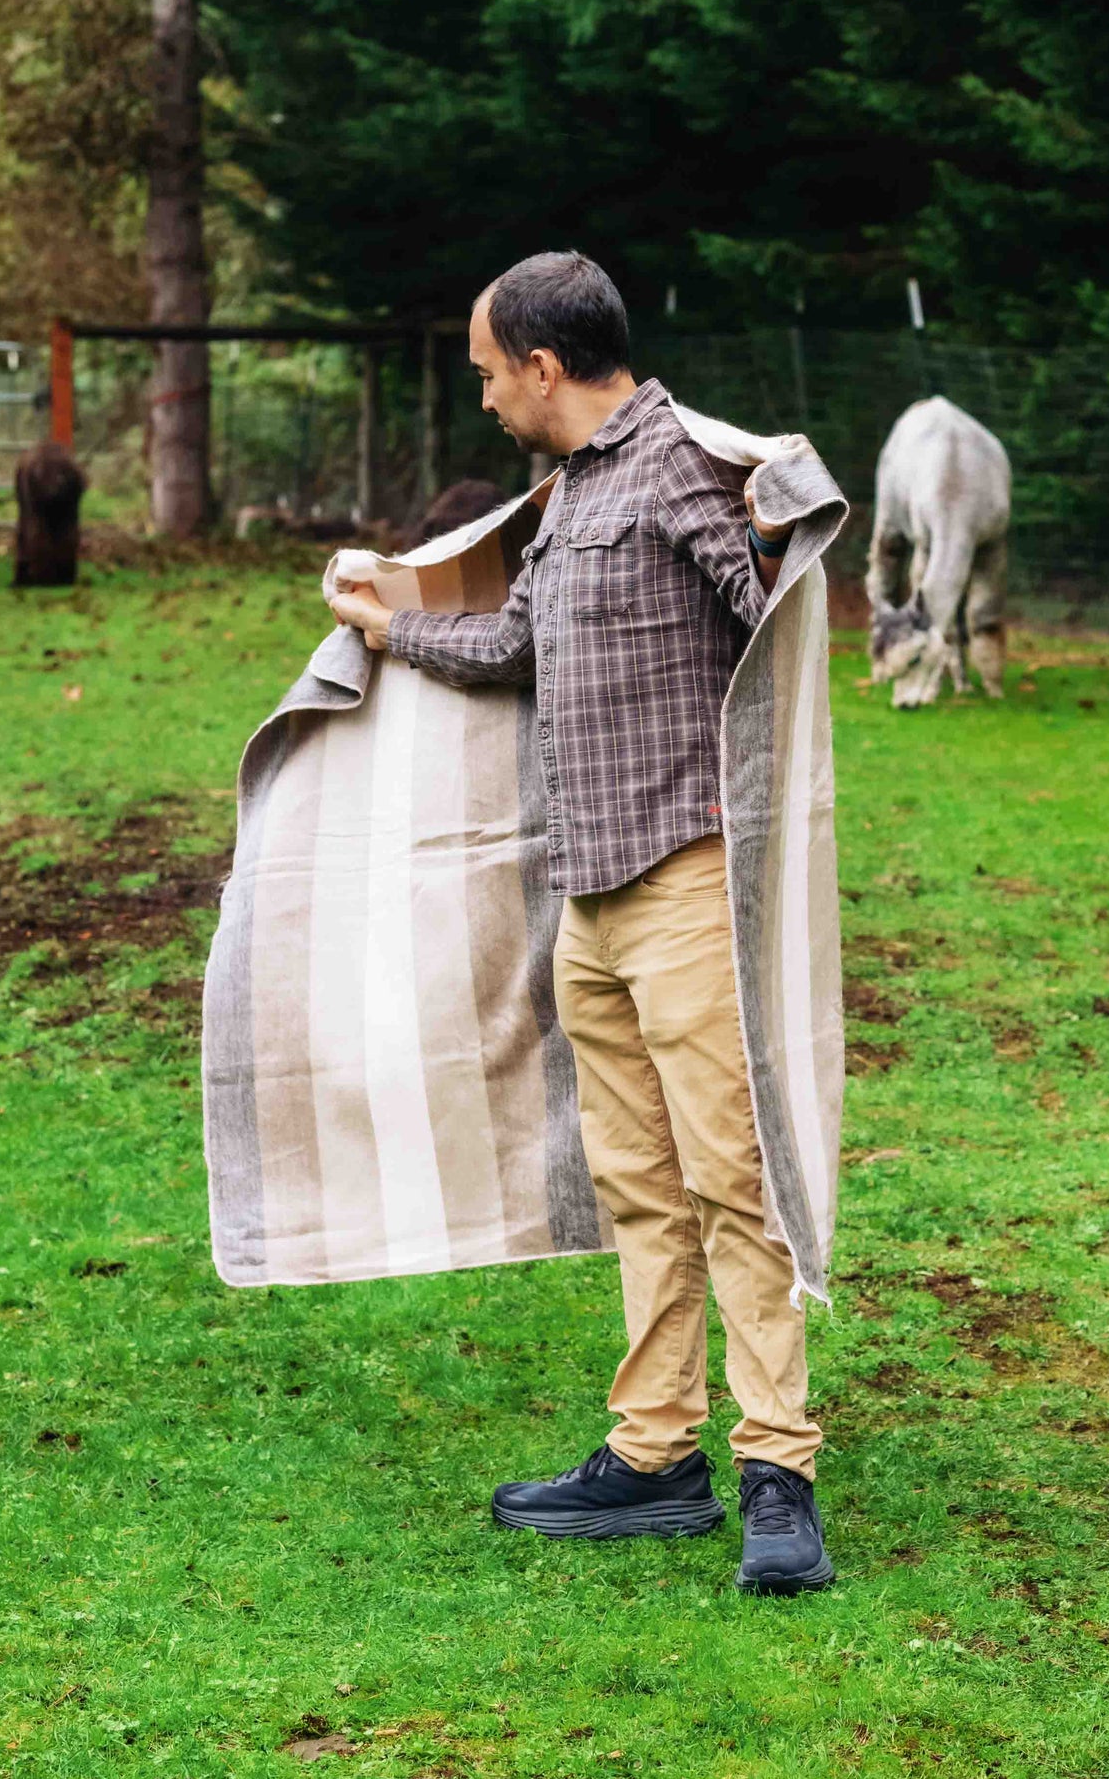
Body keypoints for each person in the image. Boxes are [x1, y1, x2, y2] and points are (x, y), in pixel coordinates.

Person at [330, 250, 835, 1596]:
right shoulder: (565, 500)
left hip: (684, 884)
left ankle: (778, 1471)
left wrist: (790, 527)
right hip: (591, 908)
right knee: (636, 1188)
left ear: (545, 368)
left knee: (731, 1183)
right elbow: (517, 652)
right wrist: (389, 626)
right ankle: (656, 1456)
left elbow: (770, 613)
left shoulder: (678, 467)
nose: (487, 399)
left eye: (492, 375)